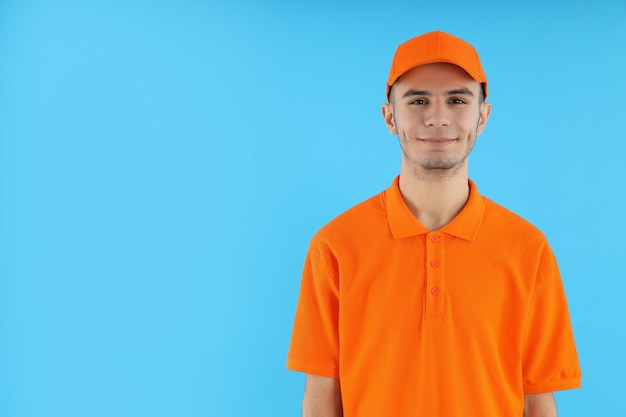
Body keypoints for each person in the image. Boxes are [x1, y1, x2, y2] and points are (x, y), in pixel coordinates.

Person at [286, 30, 581, 417]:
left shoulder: (528, 248)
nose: (437, 117)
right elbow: (322, 396)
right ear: (390, 116)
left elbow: (537, 398)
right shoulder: (335, 246)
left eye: (457, 100)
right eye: (418, 100)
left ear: (483, 116)